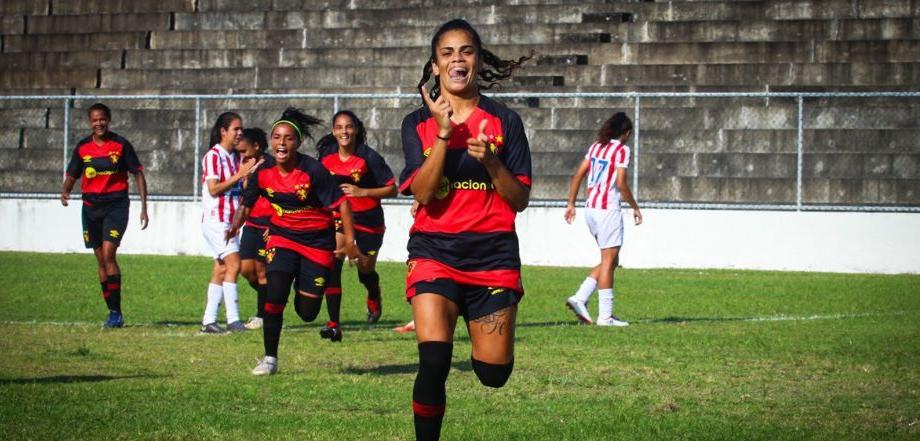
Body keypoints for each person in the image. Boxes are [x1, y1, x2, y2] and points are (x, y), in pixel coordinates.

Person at [399, 19, 532, 441]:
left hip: (492, 257)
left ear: (478, 60)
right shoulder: (416, 123)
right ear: (435, 66)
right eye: (447, 53)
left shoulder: (505, 120)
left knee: (494, 374)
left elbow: (519, 199)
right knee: (434, 362)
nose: (457, 60)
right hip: (434, 253)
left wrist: (491, 161)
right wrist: (443, 133)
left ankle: (480, 334)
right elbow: (423, 192)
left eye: (466, 51)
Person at [229, 107, 360, 376]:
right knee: (274, 294)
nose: (281, 143)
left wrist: (349, 241)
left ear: (298, 143)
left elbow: (343, 204)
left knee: (307, 312)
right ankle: (270, 359)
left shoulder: (313, 171)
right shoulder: (263, 172)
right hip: (282, 238)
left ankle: (303, 281)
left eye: (288, 138)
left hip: (316, 244)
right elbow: (247, 203)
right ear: (270, 141)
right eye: (277, 137)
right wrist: (235, 225)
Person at [60, 102, 149, 328]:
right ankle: (112, 311)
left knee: (109, 255)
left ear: (108, 120)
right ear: (90, 122)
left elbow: (138, 174)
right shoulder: (83, 147)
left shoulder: (121, 145)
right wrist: (66, 191)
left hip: (116, 207)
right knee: (100, 260)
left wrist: (144, 206)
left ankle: (117, 313)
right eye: (94, 120)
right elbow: (73, 173)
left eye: (102, 119)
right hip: (90, 208)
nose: (98, 123)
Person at [315, 110, 397, 341]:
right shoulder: (326, 156)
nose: (344, 132)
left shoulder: (369, 157)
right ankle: (334, 323)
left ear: (356, 129)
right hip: (340, 218)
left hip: (369, 220)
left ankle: (373, 293)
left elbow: (393, 189)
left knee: (365, 270)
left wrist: (362, 192)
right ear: (333, 131)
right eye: (339, 127)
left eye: (349, 127)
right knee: (334, 262)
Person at [563, 112, 642, 327]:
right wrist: (635, 207)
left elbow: (578, 174)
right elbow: (621, 183)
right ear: (626, 133)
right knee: (609, 261)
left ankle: (580, 297)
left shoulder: (597, 146)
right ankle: (605, 317)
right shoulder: (622, 150)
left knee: (611, 260)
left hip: (591, 209)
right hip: (608, 209)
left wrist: (571, 203)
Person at [199, 112, 260, 334]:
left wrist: (247, 177)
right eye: (236, 129)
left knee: (222, 268)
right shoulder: (213, 156)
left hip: (230, 222)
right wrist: (239, 174)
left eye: (241, 129)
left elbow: (237, 189)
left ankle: (209, 321)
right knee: (235, 265)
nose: (240, 133)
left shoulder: (234, 157)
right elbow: (214, 189)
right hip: (216, 221)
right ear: (223, 131)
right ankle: (233, 320)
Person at [236, 128, 273, 330]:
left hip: (267, 224)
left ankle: (262, 315)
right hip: (251, 223)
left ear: (257, 146)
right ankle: (273, 299)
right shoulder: (244, 164)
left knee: (261, 271)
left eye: (245, 150)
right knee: (245, 269)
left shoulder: (271, 165)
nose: (242, 155)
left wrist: (274, 224)